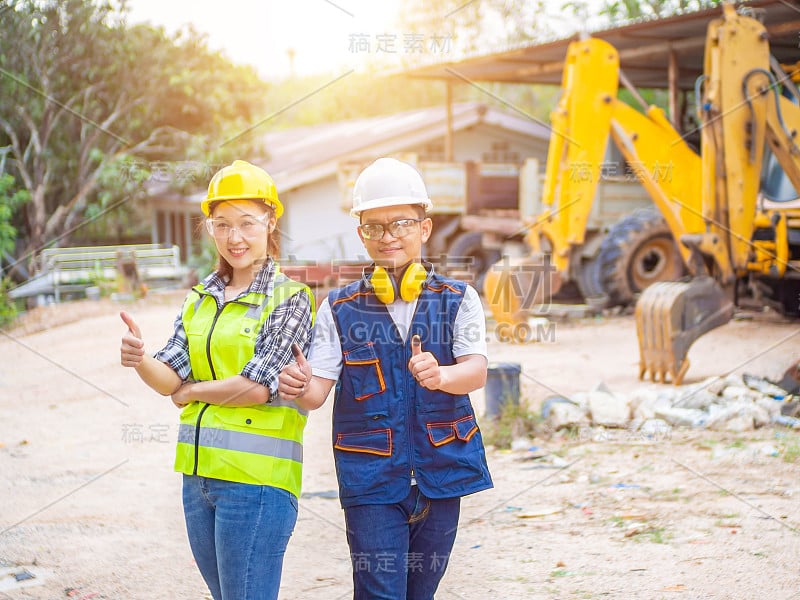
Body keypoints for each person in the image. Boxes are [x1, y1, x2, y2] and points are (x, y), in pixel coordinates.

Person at [279, 157, 493, 599]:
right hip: (372, 480)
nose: (388, 236)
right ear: (361, 235)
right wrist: (300, 387)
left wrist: (441, 374)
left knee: (422, 594)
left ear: (425, 228)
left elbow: (476, 372)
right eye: (374, 227)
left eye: (400, 223)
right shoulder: (338, 309)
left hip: (441, 473)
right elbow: (317, 392)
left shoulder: (459, 299)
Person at [119, 160, 314, 600]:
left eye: (247, 223)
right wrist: (141, 360)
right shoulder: (200, 298)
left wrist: (190, 393)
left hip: (257, 483)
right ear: (210, 228)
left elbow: (257, 387)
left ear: (271, 222)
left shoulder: (290, 299)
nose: (235, 237)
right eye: (222, 224)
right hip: (198, 478)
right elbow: (170, 375)